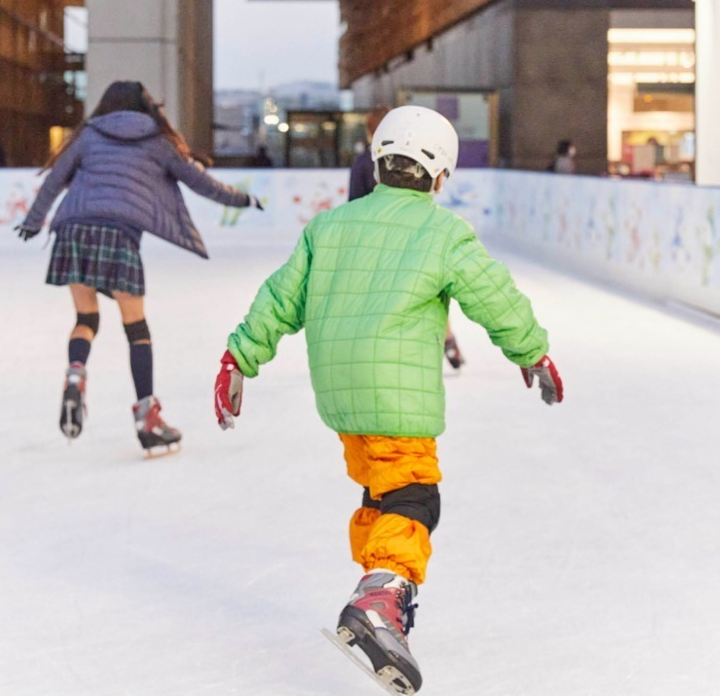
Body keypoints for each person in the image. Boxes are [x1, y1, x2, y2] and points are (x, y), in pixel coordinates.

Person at [213, 106, 563, 693]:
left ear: (378, 161)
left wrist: (237, 357)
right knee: (416, 498)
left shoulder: (328, 227)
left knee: (383, 491)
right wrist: (532, 352)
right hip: (395, 396)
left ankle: (383, 604)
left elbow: (279, 299)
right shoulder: (443, 233)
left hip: (340, 395)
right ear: (441, 176)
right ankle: (380, 599)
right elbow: (495, 298)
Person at [16, 80, 259, 455]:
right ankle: (147, 416)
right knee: (136, 328)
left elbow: (55, 178)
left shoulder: (89, 135)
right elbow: (200, 182)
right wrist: (243, 199)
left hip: (73, 230)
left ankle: (75, 376)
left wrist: (34, 221)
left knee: (86, 319)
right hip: (117, 235)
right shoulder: (158, 142)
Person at [349, 105, 465, 371]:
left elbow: (354, 206)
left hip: (377, 243)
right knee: (430, 290)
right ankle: (447, 339)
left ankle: (383, 350)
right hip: (414, 240)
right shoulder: (414, 159)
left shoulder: (365, 162)